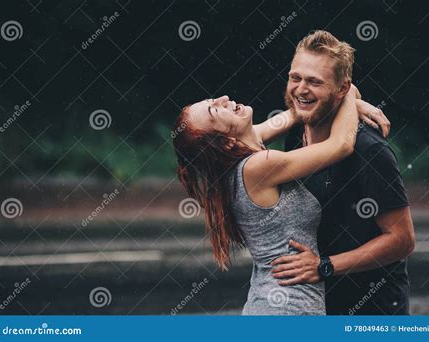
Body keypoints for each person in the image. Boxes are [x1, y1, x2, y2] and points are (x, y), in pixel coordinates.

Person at [172, 84, 387, 314]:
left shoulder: (244, 151)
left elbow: (297, 113)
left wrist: (344, 100)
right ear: (226, 143)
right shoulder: (258, 166)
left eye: (212, 99)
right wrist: (348, 91)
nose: (224, 98)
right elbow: (341, 146)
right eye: (215, 111)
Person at [271, 30, 415, 315]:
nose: (301, 89)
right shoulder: (295, 134)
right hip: (317, 304)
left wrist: (325, 265)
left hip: (374, 310)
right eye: (295, 78)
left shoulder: (370, 150)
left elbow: (403, 239)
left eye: (315, 82)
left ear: (341, 89)